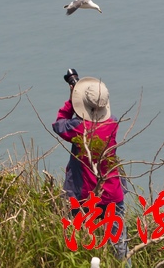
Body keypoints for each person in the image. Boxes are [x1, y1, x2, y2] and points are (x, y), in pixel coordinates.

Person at [53, 76, 128, 260]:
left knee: (78, 240)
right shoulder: (113, 123)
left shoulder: (78, 127)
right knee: (119, 247)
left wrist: (71, 101)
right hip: (112, 193)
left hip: (85, 196)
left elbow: (59, 124)